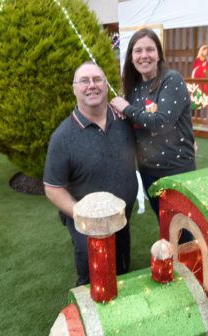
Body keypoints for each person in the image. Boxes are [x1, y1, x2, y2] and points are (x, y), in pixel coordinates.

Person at [43, 62, 138, 286]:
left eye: (97, 79)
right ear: (74, 88)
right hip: (86, 227)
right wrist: (85, 215)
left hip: (121, 218)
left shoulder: (124, 121)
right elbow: (52, 188)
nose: (91, 85)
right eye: (84, 81)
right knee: (93, 280)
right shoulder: (63, 137)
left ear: (106, 86)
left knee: (122, 271)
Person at [110, 28, 196, 220]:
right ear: (131, 58)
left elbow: (161, 123)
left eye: (150, 49)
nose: (144, 55)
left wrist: (126, 108)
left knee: (183, 229)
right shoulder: (134, 87)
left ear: (159, 55)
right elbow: (134, 124)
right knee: (165, 223)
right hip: (148, 171)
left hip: (177, 172)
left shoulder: (171, 80)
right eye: (138, 51)